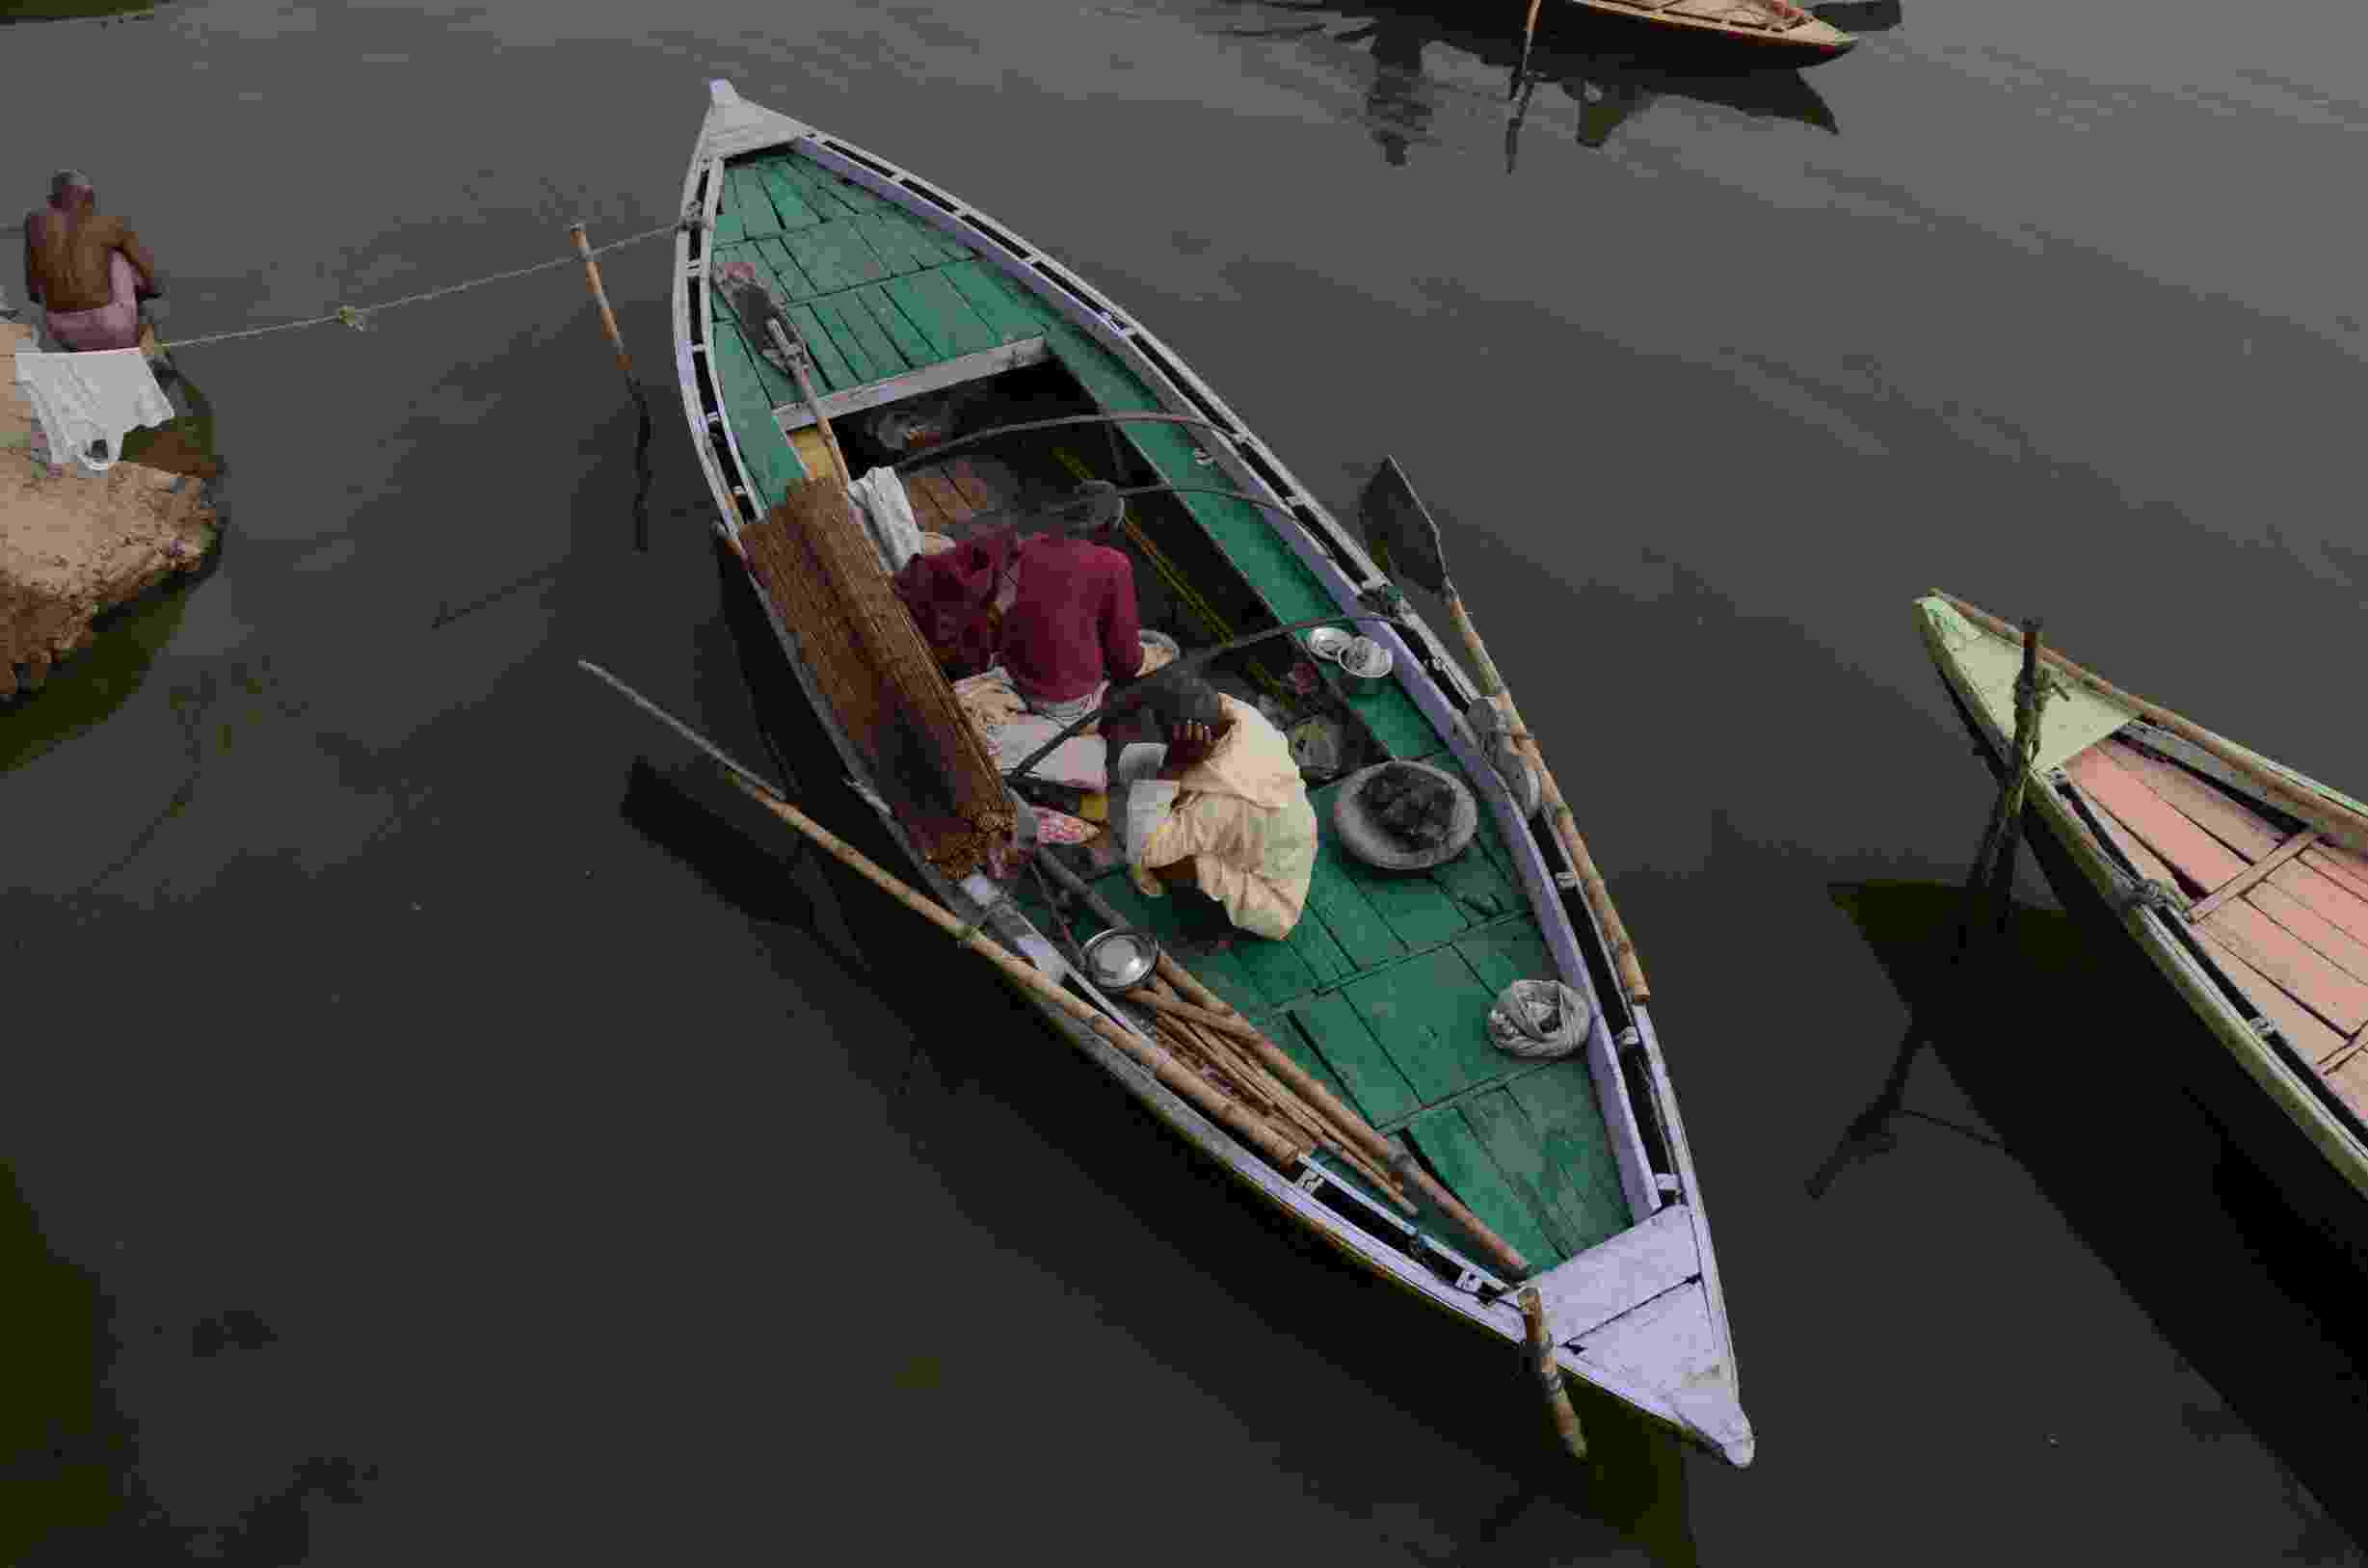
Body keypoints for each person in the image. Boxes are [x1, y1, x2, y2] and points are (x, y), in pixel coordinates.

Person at [1111, 675, 1317, 943]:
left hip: (1269, 898)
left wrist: (1173, 768)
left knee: (1166, 861)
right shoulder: (1239, 713)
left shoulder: (1223, 806)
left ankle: (1208, 925)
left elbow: (1144, 850)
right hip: (1272, 830)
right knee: (1137, 763)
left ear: (1189, 736)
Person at [997, 481, 1146, 728]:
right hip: (1063, 699)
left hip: (1014, 672)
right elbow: (1126, 661)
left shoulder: (1034, 544)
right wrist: (1142, 657)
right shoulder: (1115, 565)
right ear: (1109, 526)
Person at [21, 171, 161, 354]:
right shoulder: (111, 222)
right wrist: (140, 294)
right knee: (116, 258)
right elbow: (154, 285)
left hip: (62, 329)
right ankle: (150, 352)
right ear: (90, 196)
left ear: (51, 200)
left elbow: (33, 293)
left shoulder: (33, 222)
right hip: (112, 326)